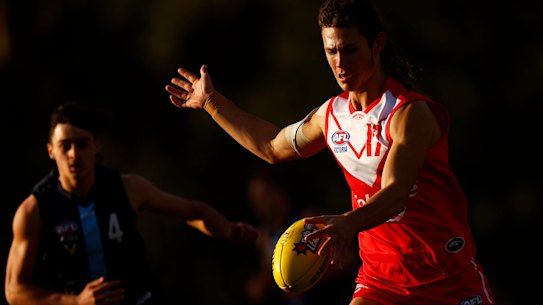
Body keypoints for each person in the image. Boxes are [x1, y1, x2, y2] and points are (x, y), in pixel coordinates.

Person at [164, 0, 497, 304]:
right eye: (331, 51)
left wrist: (346, 224)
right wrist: (212, 103)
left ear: (378, 43)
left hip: (447, 278)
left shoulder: (410, 114)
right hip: (382, 281)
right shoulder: (331, 116)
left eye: (350, 50)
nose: (340, 63)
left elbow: (396, 193)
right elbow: (271, 147)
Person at [4, 101, 259, 305]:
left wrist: (226, 229)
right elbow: (14, 291)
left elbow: (191, 211)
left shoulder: (128, 187)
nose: (74, 154)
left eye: (82, 144)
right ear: (51, 151)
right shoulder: (34, 210)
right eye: (65, 146)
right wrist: (75, 301)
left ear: (96, 146)